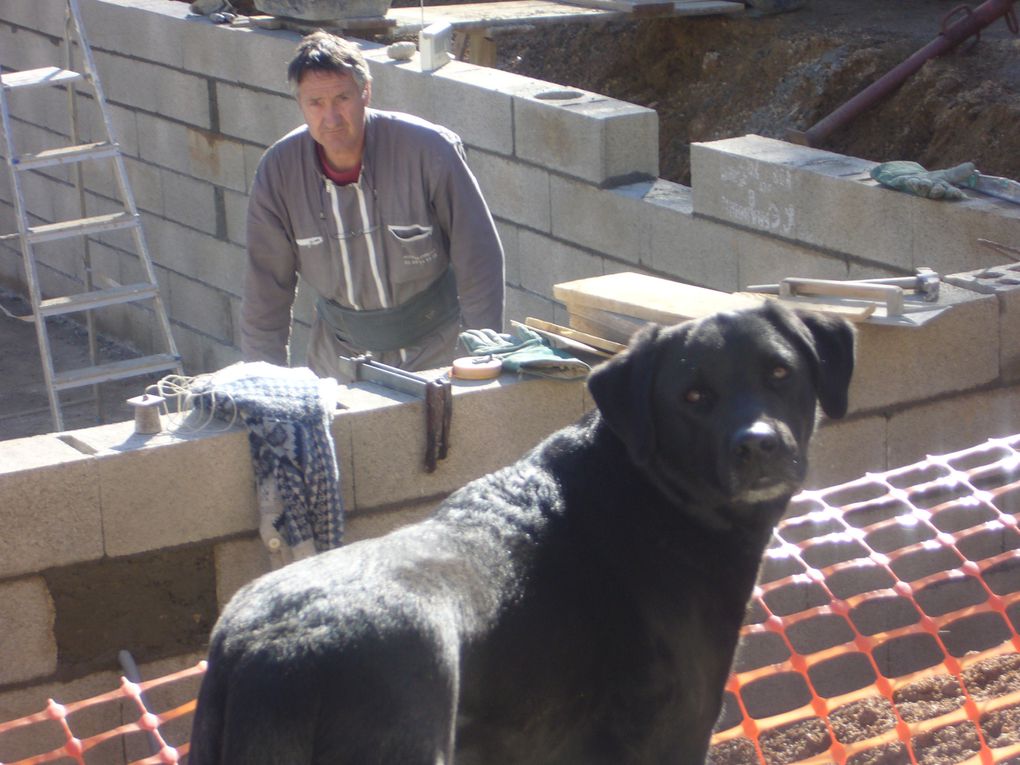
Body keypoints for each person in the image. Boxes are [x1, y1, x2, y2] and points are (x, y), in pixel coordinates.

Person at [241, 31, 505, 381]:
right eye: (316, 103)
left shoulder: (429, 151)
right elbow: (265, 292)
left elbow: (479, 260)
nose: (331, 117)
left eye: (342, 98)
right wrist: (265, 388)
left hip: (437, 350)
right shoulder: (278, 172)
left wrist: (482, 360)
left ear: (366, 92)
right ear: (300, 105)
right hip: (337, 361)